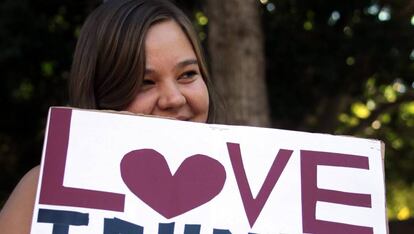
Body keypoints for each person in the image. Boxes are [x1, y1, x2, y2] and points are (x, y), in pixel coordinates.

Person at [0, 0, 219, 232]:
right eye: (145, 82)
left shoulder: (256, 186)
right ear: (102, 94)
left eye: (187, 74)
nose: (174, 99)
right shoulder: (42, 191)